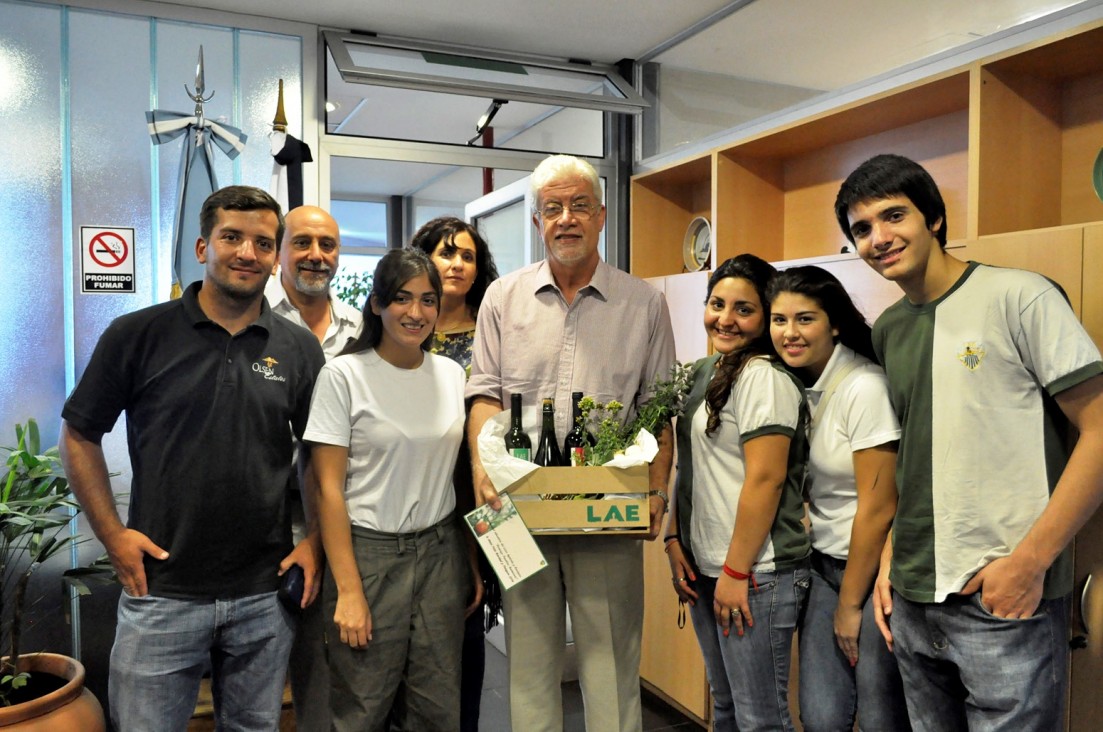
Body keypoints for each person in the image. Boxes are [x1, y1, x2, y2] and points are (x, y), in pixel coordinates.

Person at [835, 153, 1103, 730]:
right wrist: (889, 562)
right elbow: (914, 454)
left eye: (893, 216)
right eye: (861, 229)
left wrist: (1029, 564)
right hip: (912, 597)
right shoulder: (889, 328)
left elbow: (1101, 432)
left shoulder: (1020, 296)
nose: (879, 238)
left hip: (1003, 598)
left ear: (932, 217)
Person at [58, 185, 326, 731]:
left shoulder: (299, 350)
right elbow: (79, 433)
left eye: (262, 242)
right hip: (160, 590)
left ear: (275, 259)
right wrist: (112, 535)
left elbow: (320, 455)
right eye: (231, 237)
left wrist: (315, 541)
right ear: (203, 247)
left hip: (264, 593)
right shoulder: (138, 334)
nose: (247, 253)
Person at [466, 154, 676, 731]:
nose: (566, 219)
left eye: (579, 205)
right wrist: (483, 471)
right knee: (528, 668)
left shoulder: (644, 304)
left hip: (607, 508)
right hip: (519, 506)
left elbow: (659, 407)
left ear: (602, 216)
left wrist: (656, 492)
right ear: (537, 221)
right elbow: (484, 394)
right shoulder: (502, 299)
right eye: (552, 208)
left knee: (610, 665)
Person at [305, 248, 474, 731]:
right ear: (377, 304)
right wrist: (350, 592)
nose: (416, 313)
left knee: (438, 705)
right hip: (369, 556)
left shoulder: (450, 374)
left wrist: (468, 556)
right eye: (401, 299)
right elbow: (328, 490)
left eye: (427, 300)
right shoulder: (344, 376)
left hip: (440, 552)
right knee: (362, 705)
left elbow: (453, 475)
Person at [664, 254, 810, 732]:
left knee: (760, 719)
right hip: (709, 569)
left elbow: (765, 480)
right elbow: (694, 465)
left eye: (743, 309)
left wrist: (734, 571)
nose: (725, 319)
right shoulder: (706, 369)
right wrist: (673, 537)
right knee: (725, 707)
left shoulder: (764, 377)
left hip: (755, 573)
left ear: (766, 316)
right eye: (716, 304)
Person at [767, 265, 910, 732]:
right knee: (821, 714)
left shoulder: (863, 387)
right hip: (824, 566)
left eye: (805, 319)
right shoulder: (799, 383)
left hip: (869, 575)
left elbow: (879, 506)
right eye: (779, 319)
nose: (789, 333)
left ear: (834, 323)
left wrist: (851, 606)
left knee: (877, 716)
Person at [265, 204, 363, 732]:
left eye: (327, 245)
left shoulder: (361, 329)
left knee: (322, 663)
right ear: (280, 250)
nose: (316, 255)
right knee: (257, 666)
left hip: (333, 514)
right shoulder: (252, 316)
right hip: (261, 518)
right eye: (302, 242)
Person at [411, 215, 500, 732]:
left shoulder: (492, 329)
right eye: (446, 253)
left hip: (477, 497)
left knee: (468, 620)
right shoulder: (401, 325)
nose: (457, 264)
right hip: (414, 491)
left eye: (467, 255)